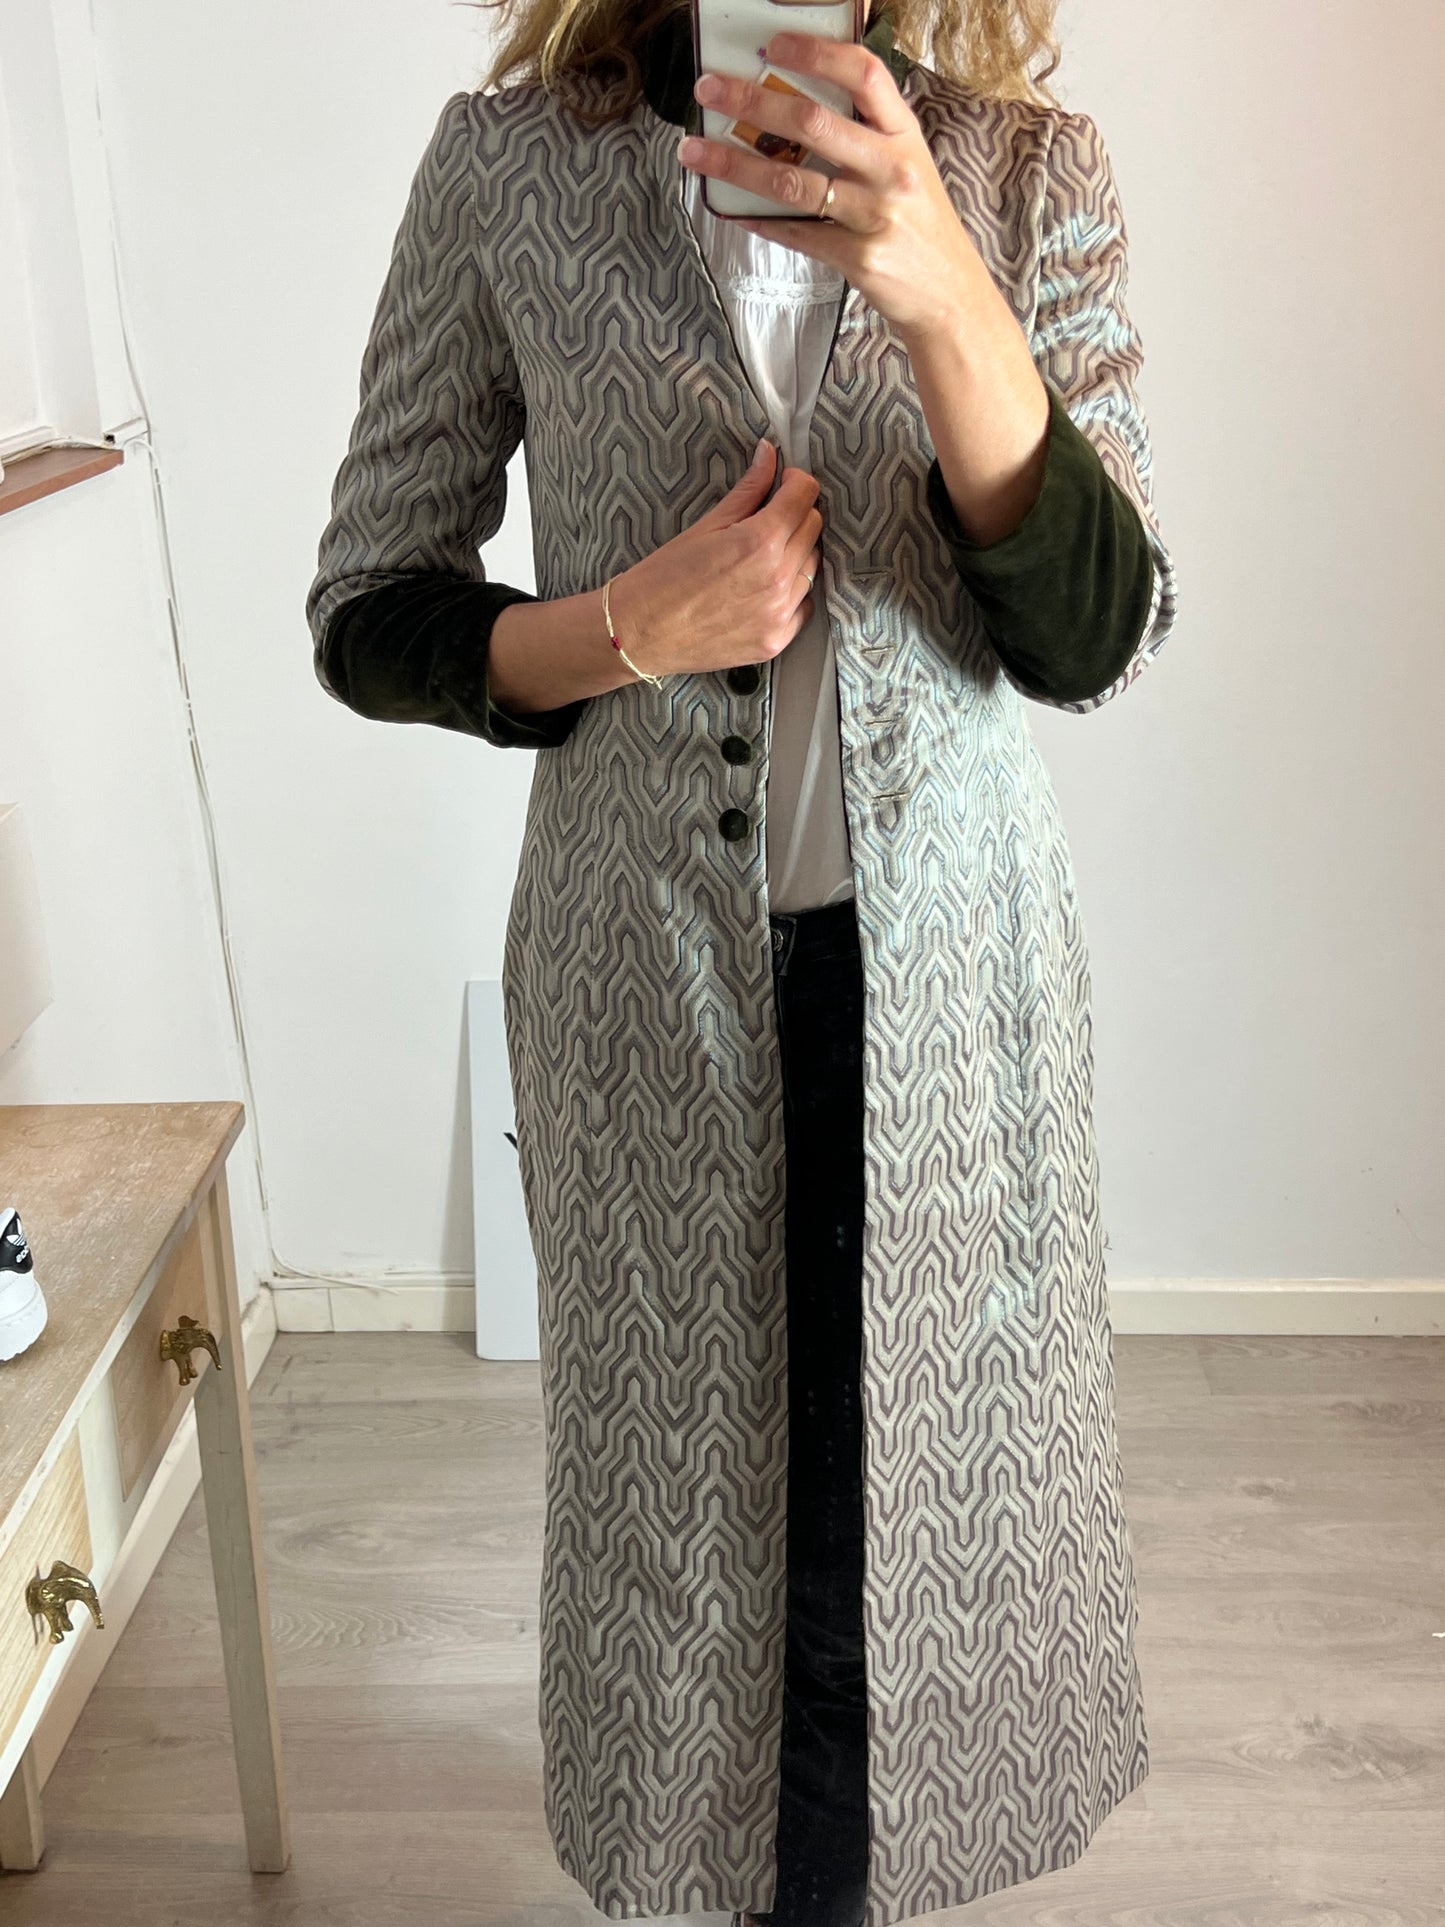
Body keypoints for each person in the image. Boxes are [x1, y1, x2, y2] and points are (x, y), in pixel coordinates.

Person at [305, 1, 1179, 1923]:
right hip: (640, 978)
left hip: (952, 983)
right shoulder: (509, 167)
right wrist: (623, 623)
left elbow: (1102, 636)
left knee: (925, 1481)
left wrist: (941, 293)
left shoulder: (1024, 170)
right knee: (685, 1503)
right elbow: (368, 605)